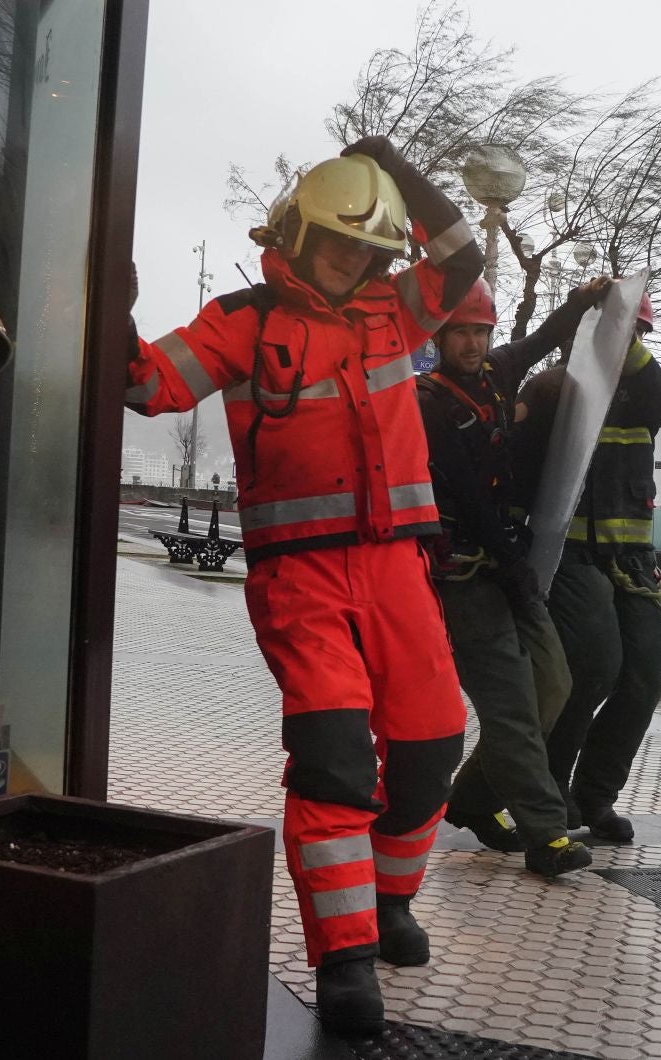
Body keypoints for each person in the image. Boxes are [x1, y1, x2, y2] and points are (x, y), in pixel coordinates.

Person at [124, 137, 483, 1035]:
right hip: (303, 578)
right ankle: (346, 955)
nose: (355, 259)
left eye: (369, 248)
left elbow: (462, 255)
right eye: (339, 241)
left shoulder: (398, 311)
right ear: (298, 228)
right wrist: (101, 306)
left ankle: (391, 897)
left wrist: (392, 165)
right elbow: (148, 384)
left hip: (398, 565)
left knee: (432, 743)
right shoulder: (241, 321)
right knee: (331, 759)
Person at [417, 276, 610, 879]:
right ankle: (545, 834)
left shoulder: (497, 372)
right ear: (440, 336)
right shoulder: (428, 403)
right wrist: (510, 560)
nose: (473, 344)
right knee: (510, 704)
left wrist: (586, 300)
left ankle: (472, 799)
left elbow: (546, 335)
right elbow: (468, 496)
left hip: (509, 562)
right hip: (467, 572)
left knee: (555, 684)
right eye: (461, 333)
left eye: (481, 331)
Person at [514, 291, 661, 843]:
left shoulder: (645, 390)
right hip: (570, 556)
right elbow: (520, 479)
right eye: (615, 330)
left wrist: (620, 321)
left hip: (631, 559)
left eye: (636, 333)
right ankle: (552, 793)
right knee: (594, 667)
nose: (629, 341)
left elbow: (660, 389)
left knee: (644, 677)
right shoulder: (549, 390)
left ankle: (595, 795)